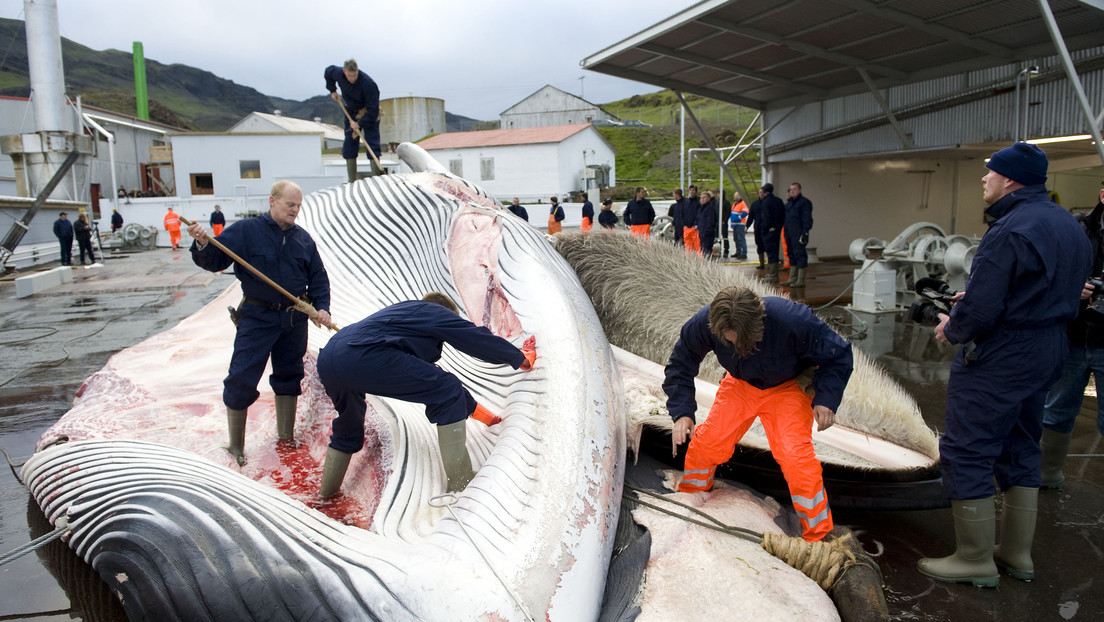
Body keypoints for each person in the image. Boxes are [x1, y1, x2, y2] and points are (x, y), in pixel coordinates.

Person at [917, 143, 1091, 587]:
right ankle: (1016, 553)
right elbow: (1053, 288)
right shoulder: (1068, 224)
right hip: (1050, 345)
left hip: (1006, 352)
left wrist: (952, 327)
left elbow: (982, 310)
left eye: (989, 173)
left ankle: (974, 558)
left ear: (1010, 179)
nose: (984, 179)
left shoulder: (1010, 229)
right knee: (1021, 440)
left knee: (968, 446)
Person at [664, 286, 853, 542]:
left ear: (759, 322)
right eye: (730, 341)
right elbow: (681, 364)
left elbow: (838, 355)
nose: (737, 345)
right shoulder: (704, 323)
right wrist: (682, 412)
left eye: (745, 341)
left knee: (795, 456)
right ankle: (693, 495)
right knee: (709, 441)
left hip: (788, 387)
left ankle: (818, 535)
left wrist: (826, 399)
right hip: (740, 385)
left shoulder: (793, 319)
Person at [315, 292, 536, 497]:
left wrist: (481, 414)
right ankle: (461, 482)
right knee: (447, 389)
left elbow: (425, 376)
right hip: (364, 356)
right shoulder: (433, 311)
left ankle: (326, 496)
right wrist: (518, 358)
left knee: (349, 424)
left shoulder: (403, 315)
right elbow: (474, 338)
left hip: (331, 359)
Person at [186, 180, 333, 466]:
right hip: (257, 316)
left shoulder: (303, 239)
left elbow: (318, 278)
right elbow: (215, 260)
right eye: (290, 204)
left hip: (294, 318)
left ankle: (285, 438)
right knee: (241, 376)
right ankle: (236, 446)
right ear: (273, 201)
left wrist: (322, 308)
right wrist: (203, 242)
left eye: (299, 206)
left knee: (290, 376)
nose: (295, 210)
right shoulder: (245, 231)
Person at [1040, 181, 1104, 488]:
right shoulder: (1073, 228)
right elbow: (1044, 274)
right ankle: (1046, 476)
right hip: (1074, 335)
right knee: (1057, 409)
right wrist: (1071, 288)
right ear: (1102, 194)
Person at [325, 58, 381, 182]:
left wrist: (359, 123)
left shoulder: (368, 84)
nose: (352, 78)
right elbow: (328, 72)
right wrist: (332, 90)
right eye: (349, 75)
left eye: (354, 75)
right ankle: (351, 180)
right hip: (351, 111)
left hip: (368, 112)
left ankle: (376, 179)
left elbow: (373, 110)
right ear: (344, 72)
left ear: (357, 71)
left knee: (372, 143)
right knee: (350, 143)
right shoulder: (337, 73)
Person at [781, 183, 814, 288]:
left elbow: (807, 219)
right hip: (788, 232)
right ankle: (792, 278)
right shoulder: (789, 204)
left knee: (800, 254)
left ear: (800, 190)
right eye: (790, 189)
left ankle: (800, 280)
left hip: (798, 232)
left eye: (794, 189)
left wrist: (805, 232)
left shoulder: (805, 203)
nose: (792, 191)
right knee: (791, 253)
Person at [758, 183, 786, 283]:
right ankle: (772, 274)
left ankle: (773, 275)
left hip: (768, 231)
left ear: (765, 192)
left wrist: (764, 230)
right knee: (775, 251)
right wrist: (778, 227)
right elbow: (783, 215)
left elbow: (766, 218)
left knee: (771, 253)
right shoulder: (779, 201)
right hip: (777, 230)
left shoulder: (766, 202)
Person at [747, 188, 767, 270]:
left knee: (768, 246)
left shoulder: (768, 203)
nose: (761, 194)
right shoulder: (755, 204)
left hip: (766, 228)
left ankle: (770, 262)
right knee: (759, 245)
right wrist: (747, 226)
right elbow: (751, 216)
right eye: (759, 192)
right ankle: (761, 263)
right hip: (758, 228)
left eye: (762, 192)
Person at [696, 190, 718, 258]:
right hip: (701, 233)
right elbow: (699, 219)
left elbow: (711, 222)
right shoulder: (701, 209)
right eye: (701, 198)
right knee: (703, 250)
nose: (702, 199)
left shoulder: (710, 208)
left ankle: (709, 264)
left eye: (704, 197)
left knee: (707, 251)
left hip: (707, 234)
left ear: (708, 199)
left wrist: (707, 232)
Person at [729, 192, 749, 260]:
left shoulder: (742, 203)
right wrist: (732, 223)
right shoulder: (735, 204)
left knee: (741, 239)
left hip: (740, 224)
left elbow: (746, 212)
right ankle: (738, 251)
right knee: (736, 239)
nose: (734, 197)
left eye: (735, 196)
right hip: (735, 224)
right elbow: (733, 214)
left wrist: (739, 218)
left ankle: (744, 253)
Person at [682, 185, 701, 254]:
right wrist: (684, 224)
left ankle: (700, 261)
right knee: (688, 247)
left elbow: (699, 214)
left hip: (695, 227)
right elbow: (684, 213)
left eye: (693, 190)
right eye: (690, 190)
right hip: (687, 227)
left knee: (697, 246)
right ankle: (689, 261)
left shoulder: (698, 202)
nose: (691, 192)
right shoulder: (686, 202)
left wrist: (696, 224)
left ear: (696, 191)